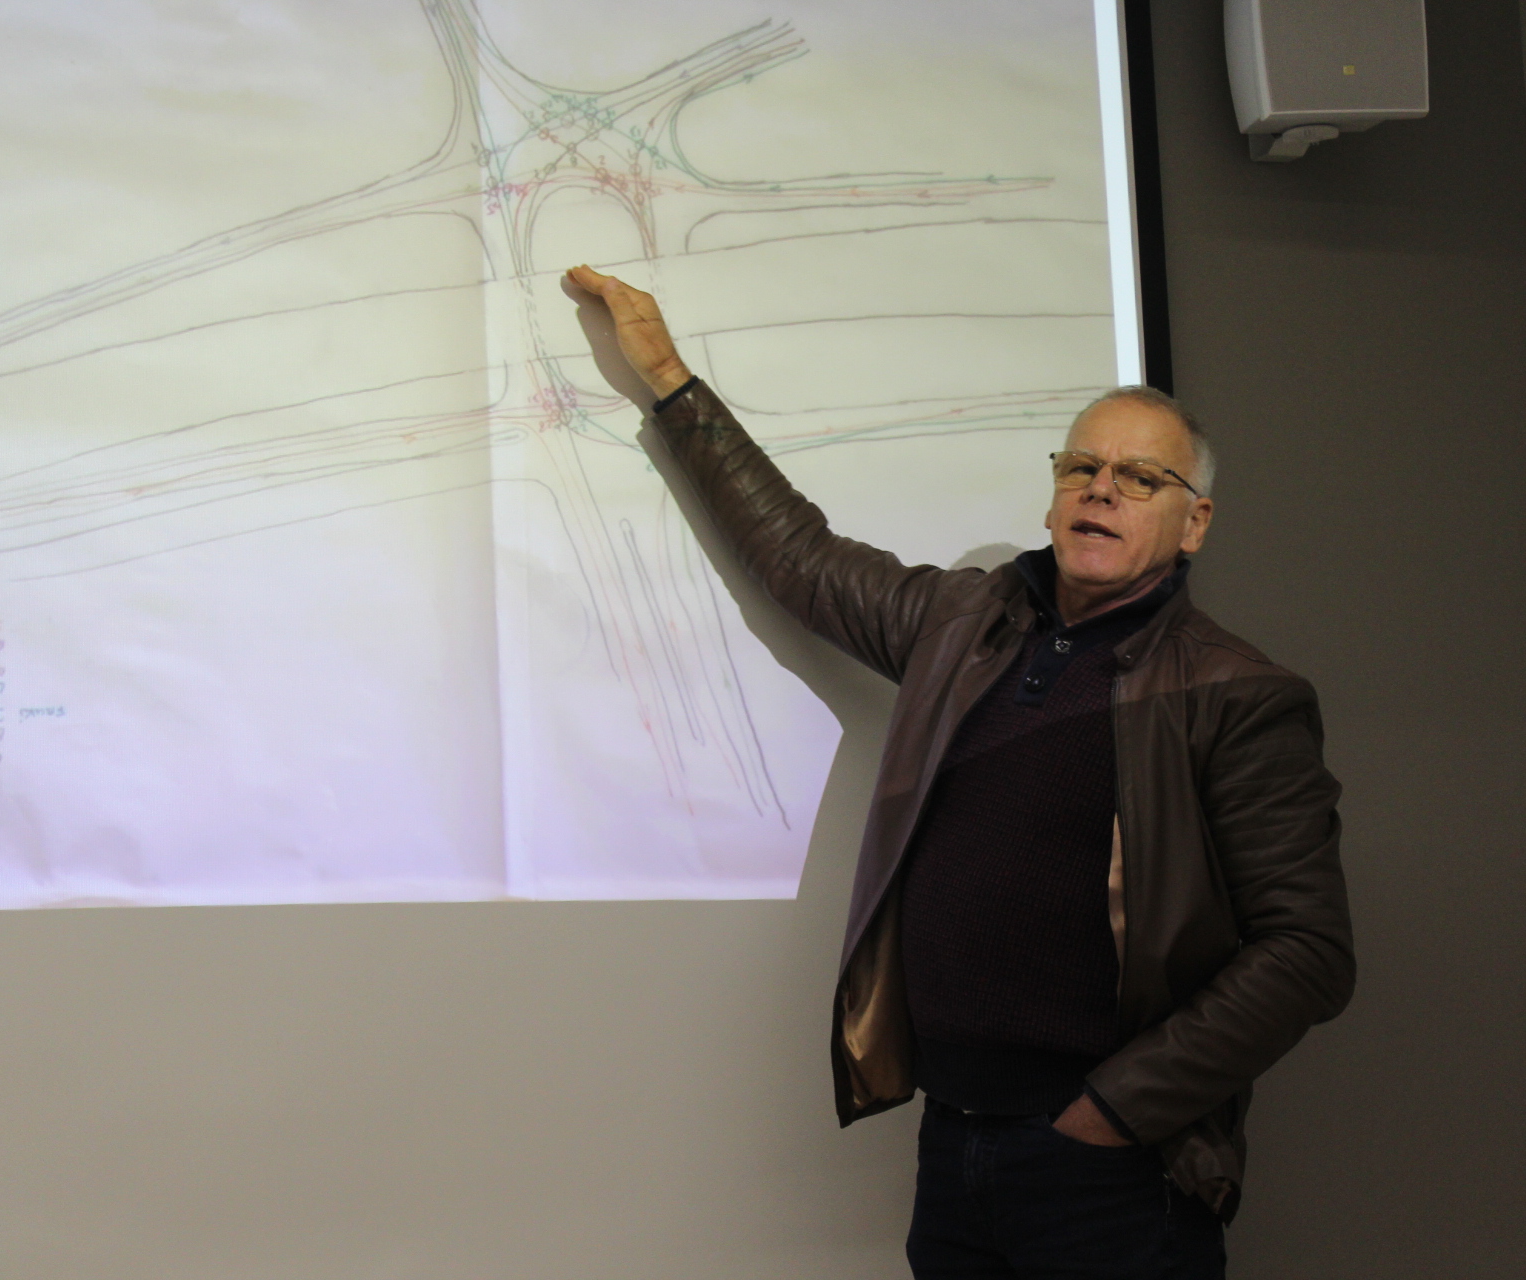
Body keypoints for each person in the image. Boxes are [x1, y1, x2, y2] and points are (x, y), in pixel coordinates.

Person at [566, 265, 1354, 1279]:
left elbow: (1308, 950)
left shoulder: (1237, 692)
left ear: (1194, 521)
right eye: (1082, 466)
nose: (1101, 489)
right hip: (954, 1139)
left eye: (1140, 478)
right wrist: (671, 380)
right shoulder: (962, 622)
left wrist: (1114, 1110)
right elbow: (800, 557)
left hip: (1115, 1170)